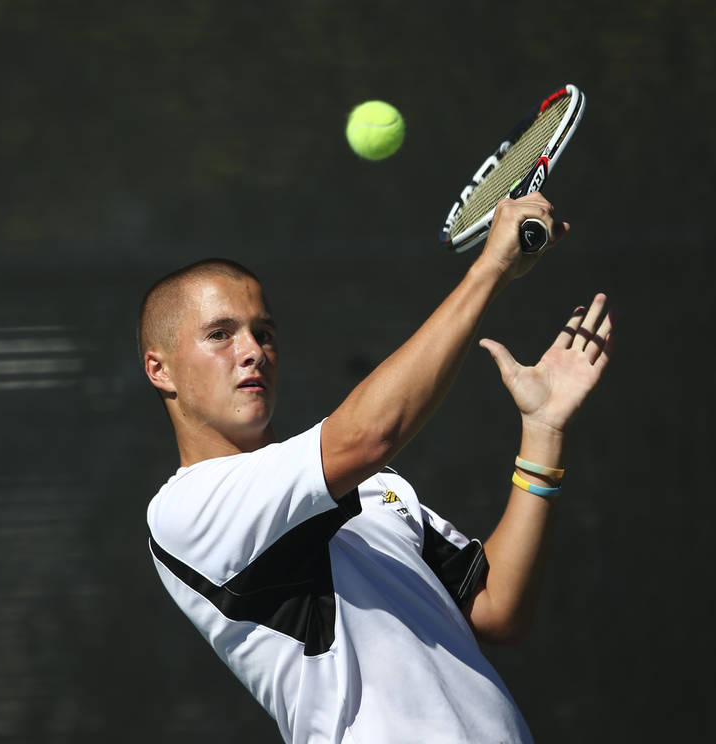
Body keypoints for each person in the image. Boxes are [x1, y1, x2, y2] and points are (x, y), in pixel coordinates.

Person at [139, 193, 613, 744]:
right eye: (220, 334)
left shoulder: (377, 487)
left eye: (263, 333)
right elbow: (369, 436)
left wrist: (543, 432)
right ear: (160, 369)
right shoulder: (184, 511)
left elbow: (497, 608)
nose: (253, 351)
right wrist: (490, 269)